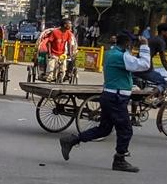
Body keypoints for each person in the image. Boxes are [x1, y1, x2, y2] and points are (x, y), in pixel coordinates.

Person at [59, 32, 151, 172]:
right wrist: (145, 47)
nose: (133, 48)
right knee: (126, 130)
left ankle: (72, 140)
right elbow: (144, 65)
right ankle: (120, 160)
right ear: (127, 44)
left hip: (110, 95)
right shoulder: (121, 56)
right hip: (116, 98)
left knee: (104, 129)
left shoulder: (111, 53)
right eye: (132, 45)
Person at [133, 23, 167, 93]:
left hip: (137, 66)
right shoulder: (161, 41)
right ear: (163, 32)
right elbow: (163, 60)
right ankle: (150, 98)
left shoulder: (152, 39)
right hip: (144, 69)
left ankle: (136, 102)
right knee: (163, 83)